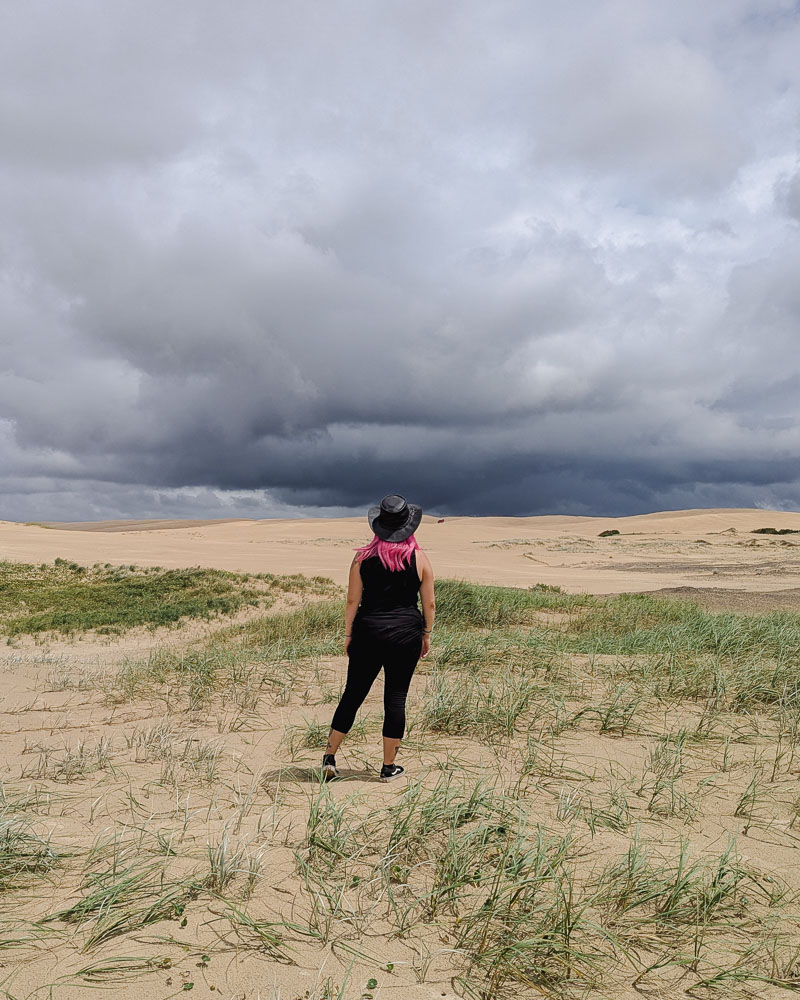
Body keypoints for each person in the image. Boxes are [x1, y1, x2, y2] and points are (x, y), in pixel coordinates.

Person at [322, 494, 435, 782]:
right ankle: (387, 767)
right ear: (408, 527)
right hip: (406, 634)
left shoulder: (362, 558)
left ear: (378, 526)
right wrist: (426, 634)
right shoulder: (419, 558)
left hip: (368, 632)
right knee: (395, 699)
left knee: (353, 694)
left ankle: (329, 757)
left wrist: (349, 633)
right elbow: (429, 605)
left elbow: (351, 601)